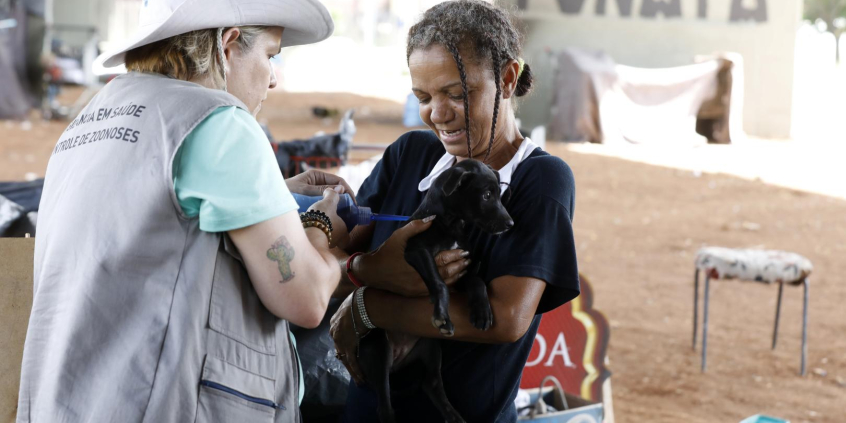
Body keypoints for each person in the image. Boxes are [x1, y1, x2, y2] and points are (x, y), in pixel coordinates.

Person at [16, 0, 347, 422]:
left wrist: (273, 195)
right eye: (270, 56)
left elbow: (154, 210)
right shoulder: (221, 120)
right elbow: (306, 298)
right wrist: (322, 227)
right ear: (228, 46)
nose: (273, 79)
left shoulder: (93, 118)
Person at [329, 1, 581, 422]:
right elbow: (323, 261)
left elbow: (505, 318)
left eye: (457, 93)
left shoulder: (540, 180)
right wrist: (364, 269)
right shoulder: (410, 155)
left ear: (507, 78)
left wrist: (366, 306)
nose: (438, 114)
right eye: (423, 97)